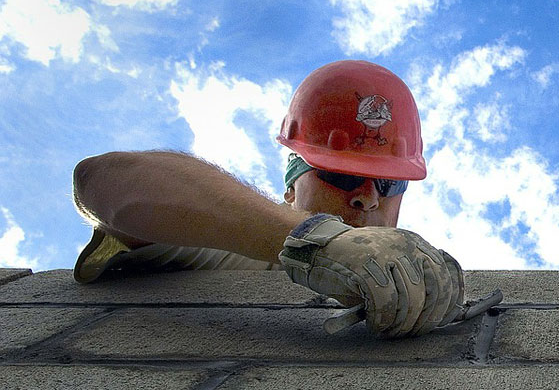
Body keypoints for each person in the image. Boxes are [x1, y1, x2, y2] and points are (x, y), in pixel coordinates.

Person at [71, 60, 465, 338]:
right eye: (340, 175)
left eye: (389, 184)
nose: (367, 198)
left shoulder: (414, 287)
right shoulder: (226, 247)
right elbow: (101, 180)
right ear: (292, 186)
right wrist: (316, 241)